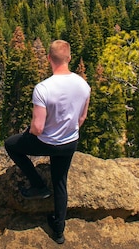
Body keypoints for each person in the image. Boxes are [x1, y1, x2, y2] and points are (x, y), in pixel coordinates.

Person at [5, 40, 91, 245]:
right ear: (69, 58)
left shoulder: (43, 88)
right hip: (70, 142)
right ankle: (59, 231)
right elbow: (81, 119)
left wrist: (28, 131)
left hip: (46, 143)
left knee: (11, 145)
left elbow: (38, 128)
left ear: (48, 59)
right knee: (60, 182)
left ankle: (37, 185)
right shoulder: (83, 85)